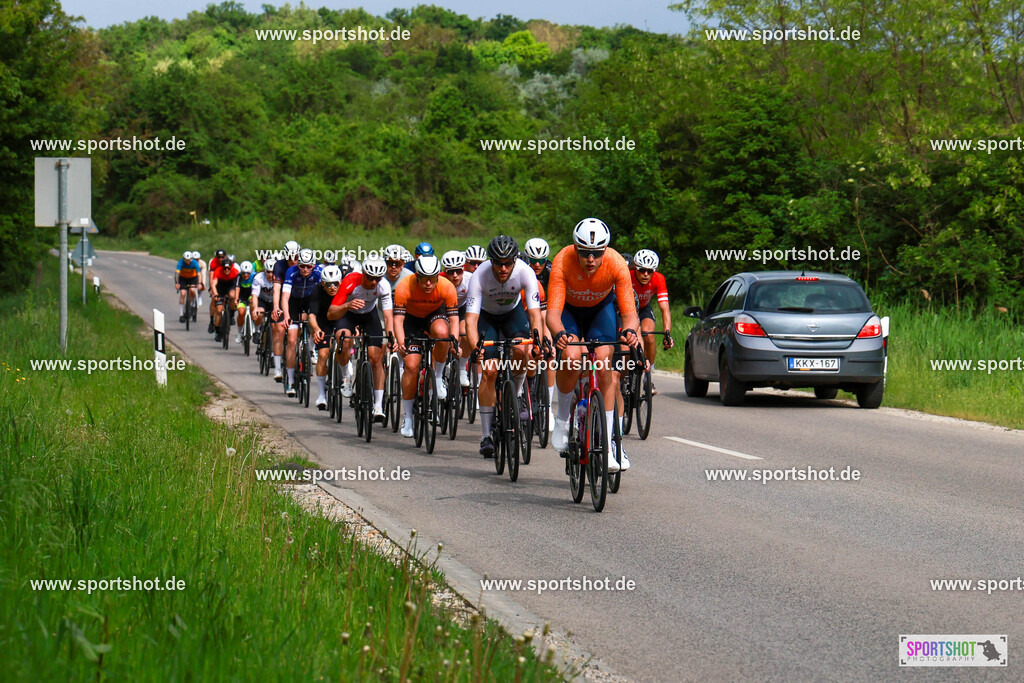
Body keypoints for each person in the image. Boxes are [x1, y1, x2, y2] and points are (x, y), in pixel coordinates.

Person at [546, 218, 640, 472]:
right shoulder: (562, 261)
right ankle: (563, 419)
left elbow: (629, 313)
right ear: (576, 248)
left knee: (604, 365)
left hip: (600, 312)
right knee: (571, 357)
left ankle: (608, 447)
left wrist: (630, 330)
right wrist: (559, 333)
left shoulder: (616, 263)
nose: (591, 259)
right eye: (585, 252)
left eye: (597, 253)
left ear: (605, 250)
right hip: (569, 313)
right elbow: (552, 314)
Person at [465, 236, 543, 457]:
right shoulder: (479, 276)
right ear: (491, 261)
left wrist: (537, 342)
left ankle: (516, 396)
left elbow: (535, 314)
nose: (503, 268)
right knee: (489, 370)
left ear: (515, 260)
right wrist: (476, 348)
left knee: (522, 350)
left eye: (508, 263)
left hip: (512, 315)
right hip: (486, 318)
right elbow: (470, 320)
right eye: (498, 263)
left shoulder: (525, 271)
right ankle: (486, 435)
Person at [392, 255, 459, 438]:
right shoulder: (405, 286)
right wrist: (401, 342)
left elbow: (454, 319)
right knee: (411, 366)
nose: (428, 283)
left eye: (432, 278)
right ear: (417, 276)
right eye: (423, 278)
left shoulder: (446, 286)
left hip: (434, 315)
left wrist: (454, 341)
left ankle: (437, 376)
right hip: (411, 320)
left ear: (438, 276)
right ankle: (408, 417)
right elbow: (398, 320)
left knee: (442, 333)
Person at [327, 258, 394, 421]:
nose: (373, 282)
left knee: (375, 358)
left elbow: (387, 315)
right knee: (343, 338)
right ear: (363, 274)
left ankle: (378, 406)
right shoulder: (351, 281)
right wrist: (347, 305)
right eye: (370, 278)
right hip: (348, 314)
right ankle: (346, 376)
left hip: (369, 315)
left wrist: (391, 336)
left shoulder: (383, 285)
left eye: (377, 278)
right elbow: (331, 313)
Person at [280, 248, 322, 397]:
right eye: (302, 266)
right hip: (294, 302)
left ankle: (311, 350)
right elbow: (285, 296)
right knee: (292, 340)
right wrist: (286, 316)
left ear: (313, 265)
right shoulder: (291, 272)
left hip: (310, 300)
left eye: (308, 266)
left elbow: (321, 296)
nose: (305, 269)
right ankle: (290, 381)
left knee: (313, 323)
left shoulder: (318, 272)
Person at [631, 249, 674, 393]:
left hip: (644, 308)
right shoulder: (627, 276)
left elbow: (665, 309)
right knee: (631, 337)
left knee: (648, 334)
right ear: (635, 268)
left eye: (650, 271)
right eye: (642, 270)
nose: (645, 274)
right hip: (627, 310)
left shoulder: (659, 279)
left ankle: (648, 377)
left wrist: (667, 333)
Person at [308, 265, 344, 410]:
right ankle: (322, 395)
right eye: (329, 284)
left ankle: (346, 376)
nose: (332, 287)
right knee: (323, 355)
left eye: (335, 283)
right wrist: (316, 329)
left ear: (340, 282)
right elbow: (312, 315)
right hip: (323, 321)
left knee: (345, 345)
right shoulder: (317, 290)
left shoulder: (345, 290)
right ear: (323, 284)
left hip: (341, 320)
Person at [440, 250, 474, 387]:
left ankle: (461, 368)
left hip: (463, 308)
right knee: (443, 335)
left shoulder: (470, 280)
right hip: (444, 308)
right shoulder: (439, 280)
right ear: (444, 271)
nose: (455, 276)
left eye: (458, 271)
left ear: (463, 269)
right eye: (450, 272)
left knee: (465, 334)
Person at [271, 241, 301, 382]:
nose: (293, 260)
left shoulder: (304, 265)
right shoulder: (279, 266)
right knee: (279, 329)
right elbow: (277, 289)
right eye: (290, 258)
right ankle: (277, 368)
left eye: (296, 257)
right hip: (285, 299)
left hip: (300, 300)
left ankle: (305, 351)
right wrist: (276, 307)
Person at [210, 254, 240, 343]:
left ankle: (231, 315)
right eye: (225, 268)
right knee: (219, 310)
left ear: (231, 267)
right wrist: (215, 294)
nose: (226, 270)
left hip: (231, 286)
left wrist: (237, 297)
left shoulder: (235, 272)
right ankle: (217, 330)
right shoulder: (218, 271)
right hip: (220, 288)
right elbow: (213, 284)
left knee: (232, 296)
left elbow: (238, 286)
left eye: (228, 268)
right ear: (222, 267)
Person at [175, 250, 200, 322]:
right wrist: (177, 283)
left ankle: (193, 304)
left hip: (193, 278)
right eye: (186, 260)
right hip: (183, 278)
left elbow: (199, 274)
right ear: (184, 259)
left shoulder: (195, 263)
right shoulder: (180, 262)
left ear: (191, 259)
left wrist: (199, 283)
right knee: (183, 293)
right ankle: (181, 314)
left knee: (192, 290)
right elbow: (177, 273)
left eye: (189, 260)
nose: (187, 262)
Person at [235, 260, 255, 343]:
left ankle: (253, 323)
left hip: (251, 295)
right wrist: (236, 298)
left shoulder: (254, 276)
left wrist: (253, 297)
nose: (245, 275)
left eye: (248, 273)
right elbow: (237, 287)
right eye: (243, 273)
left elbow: (256, 289)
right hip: (242, 297)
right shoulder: (239, 276)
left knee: (253, 306)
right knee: (241, 313)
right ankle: (239, 333)